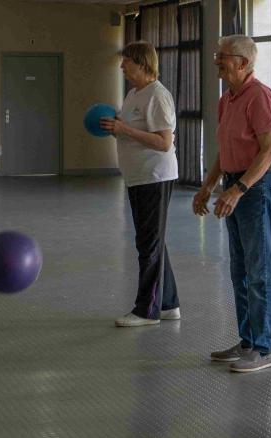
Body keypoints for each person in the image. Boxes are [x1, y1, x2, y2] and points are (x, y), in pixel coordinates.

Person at [192, 35, 271, 373]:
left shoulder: (260, 97)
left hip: (256, 187)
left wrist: (239, 189)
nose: (217, 62)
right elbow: (224, 150)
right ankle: (247, 341)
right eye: (217, 56)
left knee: (259, 272)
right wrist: (208, 186)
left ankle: (264, 348)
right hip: (234, 183)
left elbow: (269, 151)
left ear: (243, 62)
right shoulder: (227, 99)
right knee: (240, 271)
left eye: (223, 57)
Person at [101, 41, 180, 328]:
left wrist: (125, 129)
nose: (122, 67)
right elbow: (133, 134)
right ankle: (168, 303)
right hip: (138, 177)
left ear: (142, 63)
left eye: (127, 62)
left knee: (148, 243)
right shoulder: (134, 93)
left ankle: (147, 311)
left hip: (155, 177)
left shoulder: (158, 96)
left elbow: (164, 142)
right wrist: (117, 130)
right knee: (153, 241)